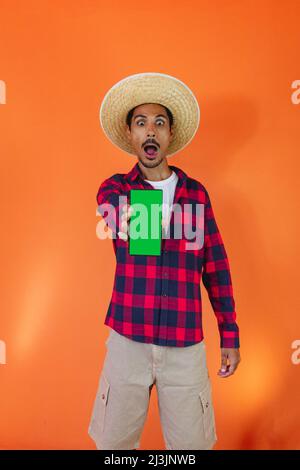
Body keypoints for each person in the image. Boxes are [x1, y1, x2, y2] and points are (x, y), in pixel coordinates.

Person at [88, 72, 241, 450]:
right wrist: (120, 214)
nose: (150, 131)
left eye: (159, 123)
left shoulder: (197, 194)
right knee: (113, 448)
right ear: (130, 135)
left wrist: (230, 332)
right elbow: (110, 206)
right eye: (141, 123)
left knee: (193, 448)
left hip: (184, 344)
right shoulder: (119, 189)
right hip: (128, 338)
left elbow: (217, 268)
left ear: (170, 135)